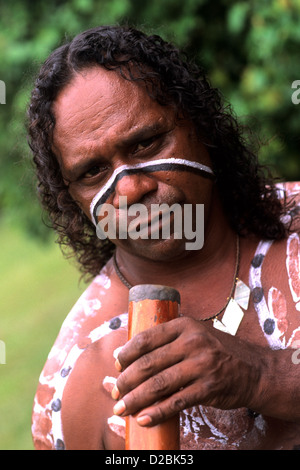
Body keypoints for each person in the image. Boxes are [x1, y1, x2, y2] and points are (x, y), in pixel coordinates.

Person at [28, 25, 300, 450]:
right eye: (93, 173)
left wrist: (264, 375)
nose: (131, 191)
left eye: (146, 144)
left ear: (200, 124)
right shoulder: (76, 388)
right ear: (72, 199)